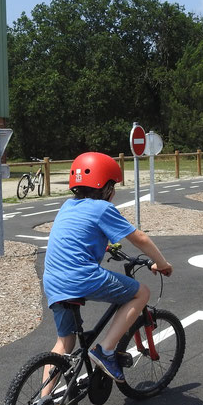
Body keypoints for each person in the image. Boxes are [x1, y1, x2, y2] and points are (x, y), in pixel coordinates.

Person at [42, 152, 173, 383]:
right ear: (106, 186)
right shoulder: (102, 208)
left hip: (53, 279)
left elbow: (77, 238)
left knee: (65, 342)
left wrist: (105, 246)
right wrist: (162, 264)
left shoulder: (68, 206)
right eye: (113, 185)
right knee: (141, 292)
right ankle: (106, 350)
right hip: (81, 277)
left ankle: (42, 404)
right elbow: (139, 238)